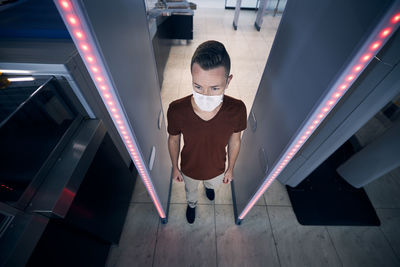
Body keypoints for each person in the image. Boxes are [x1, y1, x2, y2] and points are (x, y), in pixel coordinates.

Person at [167, 40, 247, 224]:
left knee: (212, 184)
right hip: (189, 168)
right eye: (198, 87)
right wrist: (175, 167)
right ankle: (192, 204)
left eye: (215, 88)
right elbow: (173, 140)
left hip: (217, 168)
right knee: (190, 191)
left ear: (228, 81)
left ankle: (209, 187)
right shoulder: (177, 109)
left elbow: (235, 141)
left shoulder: (237, 109)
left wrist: (230, 169)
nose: (205, 95)